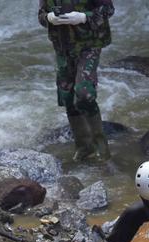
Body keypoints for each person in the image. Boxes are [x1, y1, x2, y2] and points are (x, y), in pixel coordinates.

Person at [37, 0, 114, 162]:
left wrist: (83, 17)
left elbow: (108, 9)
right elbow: (41, 15)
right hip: (63, 47)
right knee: (67, 97)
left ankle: (101, 147)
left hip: (89, 44)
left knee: (84, 93)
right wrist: (49, 18)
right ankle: (84, 147)